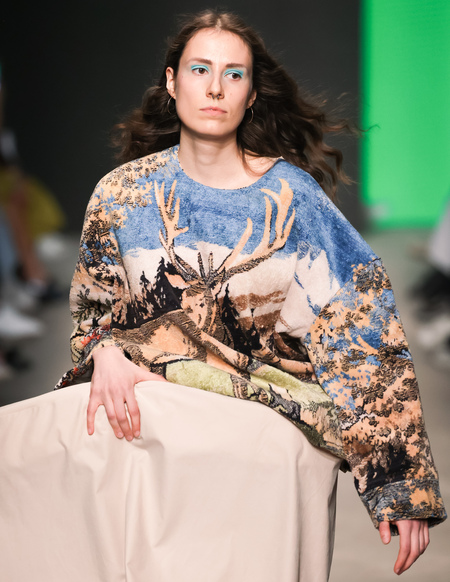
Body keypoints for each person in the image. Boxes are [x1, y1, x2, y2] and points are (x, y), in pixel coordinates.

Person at [55, 9, 445, 580]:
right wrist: (104, 351)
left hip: (260, 445)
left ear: (252, 94)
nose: (215, 87)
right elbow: (91, 318)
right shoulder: (121, 195)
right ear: (172, 82)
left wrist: (401, 483)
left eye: (233, 74)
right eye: (200, 69)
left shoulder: (294, 199)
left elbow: (361, 332)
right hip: (149, 445)